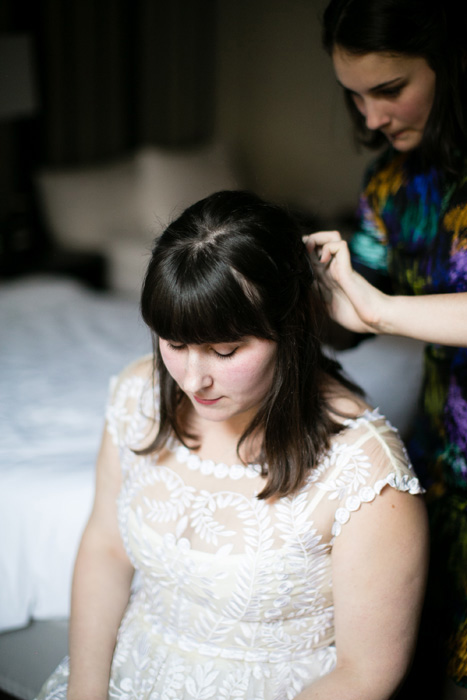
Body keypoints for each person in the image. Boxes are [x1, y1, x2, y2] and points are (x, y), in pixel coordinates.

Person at [35, 190, 427, 700]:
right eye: (174, 344)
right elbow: (106, 547)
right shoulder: (138, 395)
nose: (193, 381)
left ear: (292, 327)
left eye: (223, 350)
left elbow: (366, 673)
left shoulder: (368, 473)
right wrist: (87, 692)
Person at [304, 0, 467, 697]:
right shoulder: (388, 186)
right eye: (354, 95)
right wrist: (314, 294)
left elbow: (386, 311)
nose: (369, 118)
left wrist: (386, 309)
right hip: (448, 463)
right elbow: (357, 315)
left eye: (389, 90)